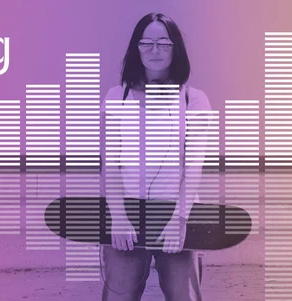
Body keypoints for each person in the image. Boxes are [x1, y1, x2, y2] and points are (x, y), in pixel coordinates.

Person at [99, 12, 212, 301]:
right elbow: (111, 164)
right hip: (127, 218)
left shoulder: (193, 99)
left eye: (163, 43)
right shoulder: (117, 97)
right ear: (136, 49)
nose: (154, 50)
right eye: (146, 43)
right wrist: (119, 218)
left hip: (176, 218)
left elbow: (194, 164)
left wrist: (180, 217)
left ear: (176, 48)